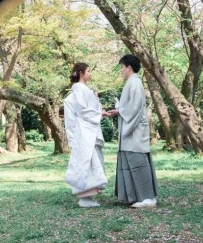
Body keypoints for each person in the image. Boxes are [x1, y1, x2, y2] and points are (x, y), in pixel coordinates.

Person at [103, 54, 159, 208]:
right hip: (131, 128)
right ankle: (134, 196)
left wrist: (119, 111)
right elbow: (129, 107)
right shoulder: (131, 82)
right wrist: (119, 110)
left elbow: (134, 108)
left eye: (122, 67)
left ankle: (148, 198)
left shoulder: (134, 82)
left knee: (138, 163)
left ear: (129, 67)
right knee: (130, 162)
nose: (121, 71)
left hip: (134, 130)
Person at [63, 62, 107, 208]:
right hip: (85, 131)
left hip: (89, 129)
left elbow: (90, 108)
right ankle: (84, 197)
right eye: (88, 71)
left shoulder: (83, 89)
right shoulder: (79, 89)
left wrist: (97, 104)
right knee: (87, 162)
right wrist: (100, 113)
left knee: (92, 162)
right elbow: (84, 111)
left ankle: (88, 195)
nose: (90, 74)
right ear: (81, 73)